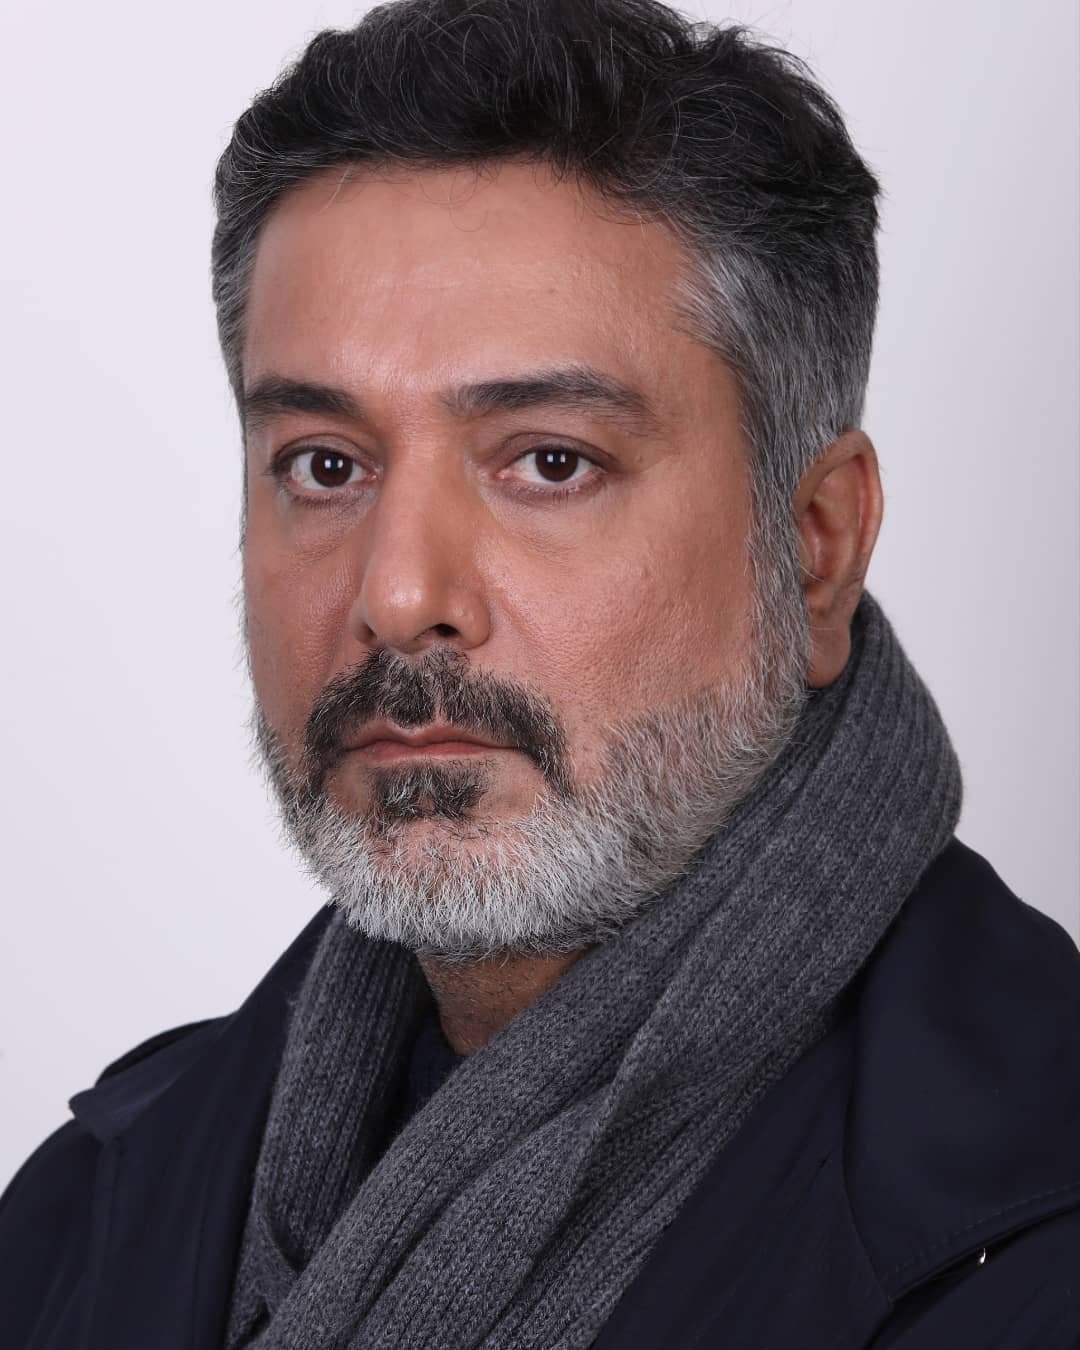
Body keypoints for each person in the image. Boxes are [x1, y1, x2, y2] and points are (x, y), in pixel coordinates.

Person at [2, 1, 1078, 1346]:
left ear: (813, 548)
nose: (400, 596)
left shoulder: (1037, 1247)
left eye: (548, 462)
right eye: (325, 466)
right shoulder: (88, 1208)